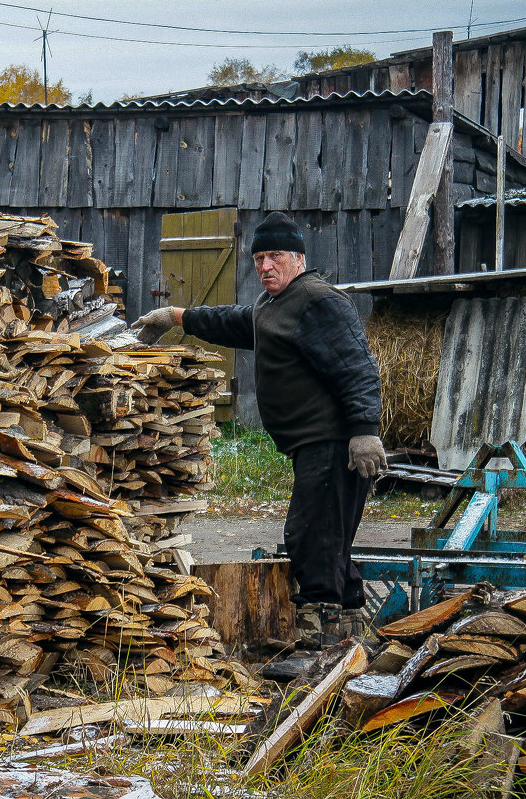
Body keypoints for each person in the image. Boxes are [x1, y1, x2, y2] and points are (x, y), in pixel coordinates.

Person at [132, 211, 384, 648]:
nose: (265, 266)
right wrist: (176, 316)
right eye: (259, 258)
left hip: (333, 443)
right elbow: (233, 320)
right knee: (331, 539)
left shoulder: (318, 301)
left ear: (298, 258)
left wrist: (364, 429)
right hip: (311, 445)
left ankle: (317, 642)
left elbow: (358, 367)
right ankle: (346, 637)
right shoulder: (274, 306)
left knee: (311, 536)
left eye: (275, 256)